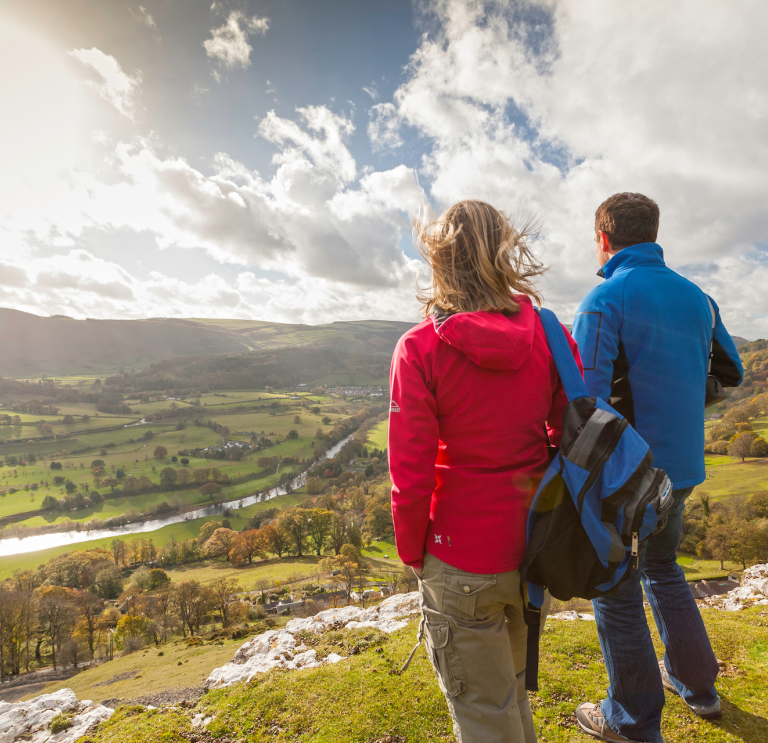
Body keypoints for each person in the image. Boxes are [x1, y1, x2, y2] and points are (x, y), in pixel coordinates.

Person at [388, 200, 582, 743]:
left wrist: (412, 552)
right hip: (533, 544)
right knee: (512, 690)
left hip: (457, 555)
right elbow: (570, 431)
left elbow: (411, 472)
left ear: (440, 257)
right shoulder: (548, 331)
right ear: (504, 252)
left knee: (482, 711)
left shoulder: (419, 348)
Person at [571, 193, 743, 743]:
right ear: (653, 231)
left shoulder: (604, 299)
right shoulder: (699, 298)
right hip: (684, 468)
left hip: (628, 473)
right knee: (663, 569)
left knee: (614, 584)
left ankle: (632, 720)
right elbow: (732, 371)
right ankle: (700, 689)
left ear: (604, 237)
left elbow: (585, 402)